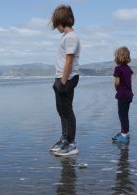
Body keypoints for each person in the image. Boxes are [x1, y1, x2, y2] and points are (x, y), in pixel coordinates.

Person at [49, 5, 80, 156]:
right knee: (61, 110)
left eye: (56, 24)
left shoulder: (72, 37)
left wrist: (62, 82)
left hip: (67, 78)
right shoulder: (66, 37)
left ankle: (71, 144)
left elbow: (69, 61)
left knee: (67, 111)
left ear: (62, 21)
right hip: (61, 77)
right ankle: (64, 139)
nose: (56, 28)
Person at [112, 46, 133, 143]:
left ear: (118, 57)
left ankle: (124, 135)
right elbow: (129, 82)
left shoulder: (118, 69)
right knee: (125, 114)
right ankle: (124, 132)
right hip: (129, 94)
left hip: (122, 95)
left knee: (122, 115)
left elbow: (117, 83)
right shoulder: (128, 69)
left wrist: (117, 90)